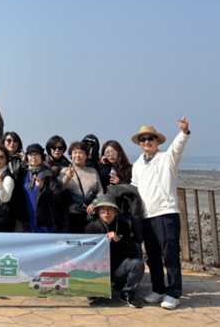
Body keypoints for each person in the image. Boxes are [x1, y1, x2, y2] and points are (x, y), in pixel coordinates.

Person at [131, 117, 191, 311]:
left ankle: (173, 293)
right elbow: (134, 187)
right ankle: (158, 289)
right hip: (147, 216)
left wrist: (184, 132)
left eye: (150, 138)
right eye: (143, 139)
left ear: (157, 140)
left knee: (170, 255)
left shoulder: (167, 158)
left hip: (166, 213)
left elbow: (177, 147)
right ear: (139, 143)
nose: (146, 142)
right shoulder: (137, 164)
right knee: (153, 256)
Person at [85, 194, 144, 308]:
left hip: (117, 269)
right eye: (103, 209)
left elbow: (133, 251)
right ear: (98, 212)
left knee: (137, 263)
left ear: (116, 211)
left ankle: (127, 292)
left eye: (110, 209)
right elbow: (88, 256)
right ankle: (96, 289)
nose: (106, 212)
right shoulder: (91, 228)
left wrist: (119, 240)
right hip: (99, 270)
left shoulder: (123, 226)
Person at [59, 141, 103, 233]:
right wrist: (67, 178)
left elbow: (100, 190)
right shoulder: (65, 170)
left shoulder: (93, 171)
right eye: (75, 152)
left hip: (90, 214)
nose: (78, 155)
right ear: (71, 155)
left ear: (86, 155)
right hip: (71, 215)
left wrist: (94, 203)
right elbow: (60, 189)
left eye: (81, 152)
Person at [22, 143, 61, 233]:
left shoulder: (49, 174)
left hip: (45, 223)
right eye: (30, 154)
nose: (33, 157)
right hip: (28, 222)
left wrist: (43, 187)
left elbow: (57, 196)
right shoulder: (23, 173)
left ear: (42, 157)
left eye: (36, 154)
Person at [2, 131, 27, 231]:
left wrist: (26, 163)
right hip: (1, 204)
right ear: (3, 142)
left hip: (18, 202)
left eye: (15, 141)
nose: (12, 143)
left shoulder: (22, 161)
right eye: (9, 140)